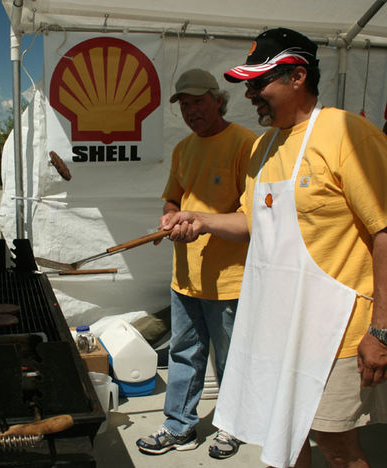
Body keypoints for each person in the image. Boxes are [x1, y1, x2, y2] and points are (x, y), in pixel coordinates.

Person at [168, 28, 387, 468]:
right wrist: (203, 219)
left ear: (297, 77)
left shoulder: (348, 133)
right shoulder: (264, 147)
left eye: (259, 82)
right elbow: (253, 222)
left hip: (337, 330)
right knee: (284, 438)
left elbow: (383, 231)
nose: (250, 94)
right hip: (276, 327)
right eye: (248, 84)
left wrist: (381, 330)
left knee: (335, 444)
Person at [135, 69, 256, 459]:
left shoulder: (246, 144)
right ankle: (179, 426)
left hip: (230, 281)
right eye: (184, 105)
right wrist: (170, 217)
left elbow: (253, 217)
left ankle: (232, 426)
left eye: (198, 102)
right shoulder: (184, 149)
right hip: (185, 276)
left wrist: (203, 222)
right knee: (183, 353)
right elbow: (173, 198)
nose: (191, 110)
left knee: (231, 357)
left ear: (218, 100)